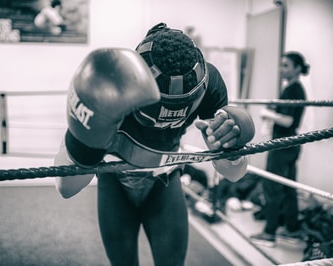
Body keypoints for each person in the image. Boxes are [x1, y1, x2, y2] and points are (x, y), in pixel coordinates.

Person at [54, 23, 255, 266]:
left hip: (164, 180)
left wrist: (227, 151)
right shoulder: (112, 83)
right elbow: (66, 188)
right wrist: (84, 138)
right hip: (114, 180)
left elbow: (234, 174)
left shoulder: (208, 82)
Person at [250, 51, 310, 247]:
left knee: (273, 187)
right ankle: (292, 230)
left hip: (283, 145)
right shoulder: (293, 89)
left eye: (286, 65)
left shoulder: (295, 90)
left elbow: (288, 120)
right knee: (288, 187)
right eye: (281, 65)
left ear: (297, 68)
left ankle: (269, 233)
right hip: (290, 145)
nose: (282, 69)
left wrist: (268, 113)